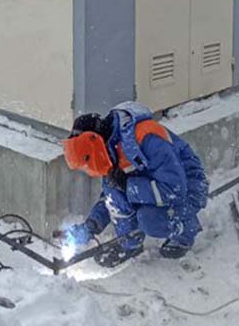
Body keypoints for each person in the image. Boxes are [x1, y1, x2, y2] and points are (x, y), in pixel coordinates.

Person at [62, 102, 208, 268]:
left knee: (149, 220)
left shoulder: (146, 138)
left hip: (188, 187)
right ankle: (131, 244)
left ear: (94, 141)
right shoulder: (108, 149)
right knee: (117, 189)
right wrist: (90, 227)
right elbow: (112, 198)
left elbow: (174, 190)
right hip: (155, 184)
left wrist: (128, 186)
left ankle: (186, 229)